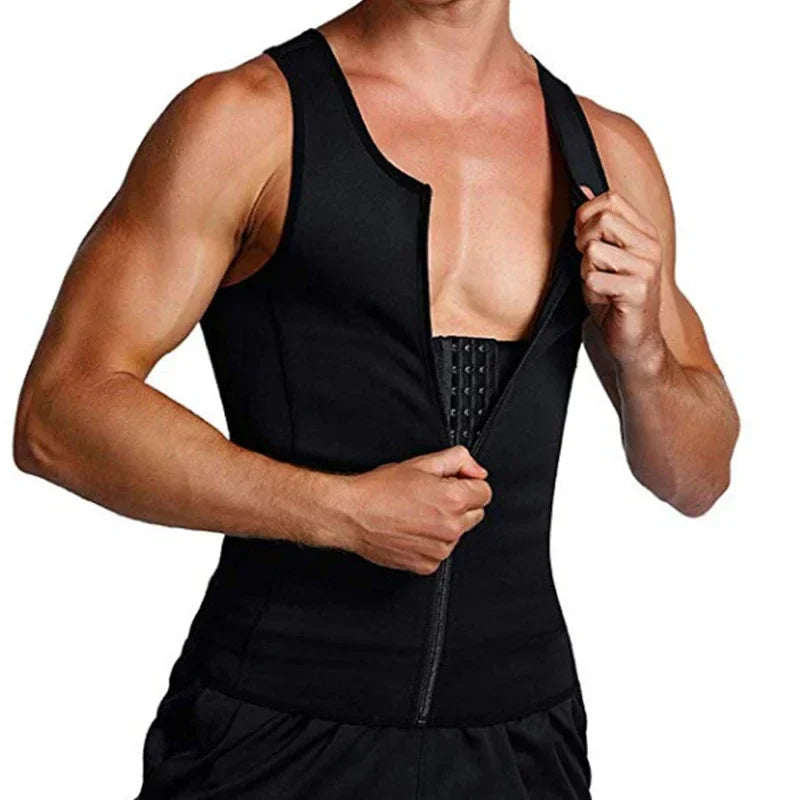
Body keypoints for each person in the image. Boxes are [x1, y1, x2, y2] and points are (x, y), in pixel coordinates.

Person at [12, 1, 739, 798]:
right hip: (273, 732)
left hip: (521, 743)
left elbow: (697, 477)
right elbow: (61, 413)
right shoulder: (248, 121)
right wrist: (338, 511)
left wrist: (643, 350)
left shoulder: (608, 153)